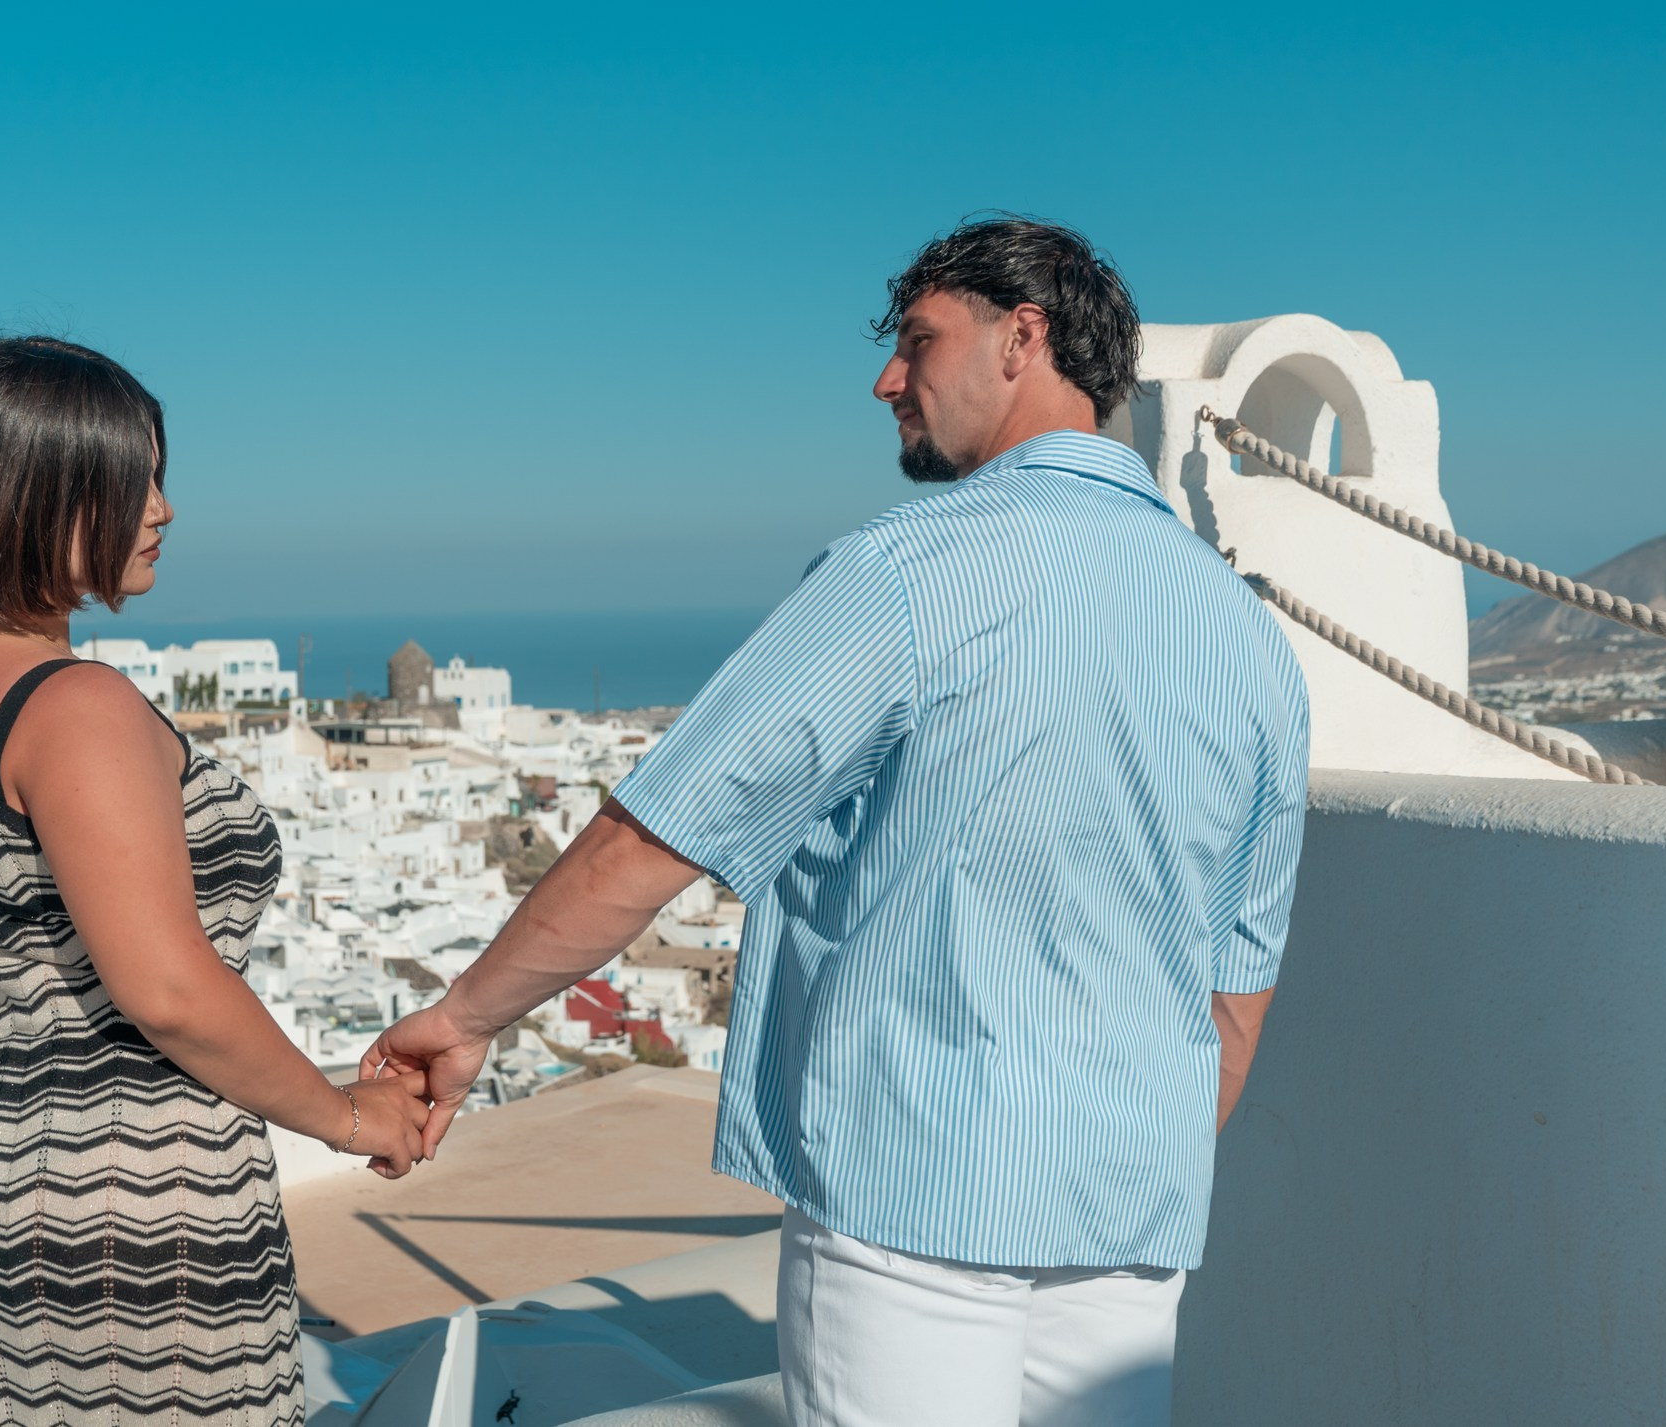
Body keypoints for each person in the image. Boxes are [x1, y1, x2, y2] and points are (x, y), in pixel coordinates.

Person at [367, 217, 1311, 1427]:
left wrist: (464, 1016)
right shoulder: (1241, 633)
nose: (885, 379)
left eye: (917, 341)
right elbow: (1238, 981)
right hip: (1128, 1221)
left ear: (1022, 338)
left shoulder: (910, 571)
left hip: (912, 1205)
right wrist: (1130, 1162)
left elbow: (652, 840)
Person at [0, 336, 433, 1427]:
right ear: (34, 496)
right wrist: (350, 1119)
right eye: (130, 482)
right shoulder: (75, 709)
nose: (161, 510)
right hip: (139, 1217)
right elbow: (166, 991)